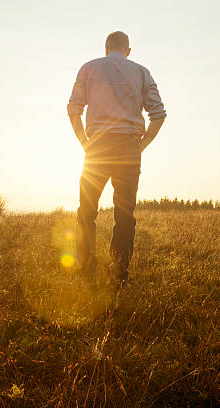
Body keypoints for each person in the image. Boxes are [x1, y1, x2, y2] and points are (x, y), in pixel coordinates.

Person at [67, 31, 166, 290]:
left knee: (86, 212)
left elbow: (73, 109)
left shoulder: (89, 68)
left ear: (106, 47)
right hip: (129, 148)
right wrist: (141, 146)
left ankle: (87, 273)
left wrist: (85, 144)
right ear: (128, 50)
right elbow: (159, 114)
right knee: (124, 215)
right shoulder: (142, 72)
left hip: (97, 147)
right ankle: (119, 276)